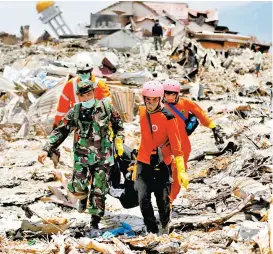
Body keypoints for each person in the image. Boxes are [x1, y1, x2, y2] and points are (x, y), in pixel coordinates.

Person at [38, 80, 124, 236]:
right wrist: (46, 149)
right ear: (79, 96)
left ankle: (95, 222)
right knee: (78, 186)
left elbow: (119, 126)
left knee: (99, 191)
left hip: (102, 157)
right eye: (83, 95)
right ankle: (83, 197)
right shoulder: (75, 111)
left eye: (89, 94)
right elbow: (61, 131)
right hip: (82, 157)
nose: (86, 98)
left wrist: (119, 140)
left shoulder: (106, 108)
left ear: (93, 93)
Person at [130, 81, 188, 235]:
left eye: (154, 99)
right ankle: (151, 230)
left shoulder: (169, 117)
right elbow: (144, 139)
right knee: (143, 198)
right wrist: (137, 164)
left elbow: (176, 144)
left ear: (160, 98)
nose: (150, 103)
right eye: (147, 99)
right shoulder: (142, 112)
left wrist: (181, 169)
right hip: (144, 161)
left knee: (162, 199)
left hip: (163, 163)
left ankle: (165, 224)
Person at [162, 79, 224, 203]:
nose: (169, 96)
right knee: (162, 168)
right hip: (165, 142)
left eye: (172, 94)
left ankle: (170, 199)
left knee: (179, 171)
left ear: (177, 94)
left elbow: (200, 113)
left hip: (182, 142)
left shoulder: (185, 103)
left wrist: (212, 126)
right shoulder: (159, 106)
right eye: (167, 93)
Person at [53, 56, 111, 129]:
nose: (83, 74)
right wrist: (57, 122)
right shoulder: (71, 85)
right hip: (78, 123)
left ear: (91, 70)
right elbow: (62, 106)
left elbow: (108, 106)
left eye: (86, 72)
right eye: (81, 72)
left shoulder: (99, 85)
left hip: (97, 123)